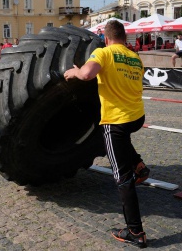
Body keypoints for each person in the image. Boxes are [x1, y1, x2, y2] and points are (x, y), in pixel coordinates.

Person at [64, 20, 150, 249]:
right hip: (136, 116)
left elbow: (87, 74)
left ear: (106, 37)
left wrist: (75, 71)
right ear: (124, 37)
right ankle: (139, 165)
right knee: (119, 140)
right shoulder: (134, 57)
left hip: (117, 122)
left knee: (122, 178)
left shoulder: (104, 52)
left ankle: (135, 231)